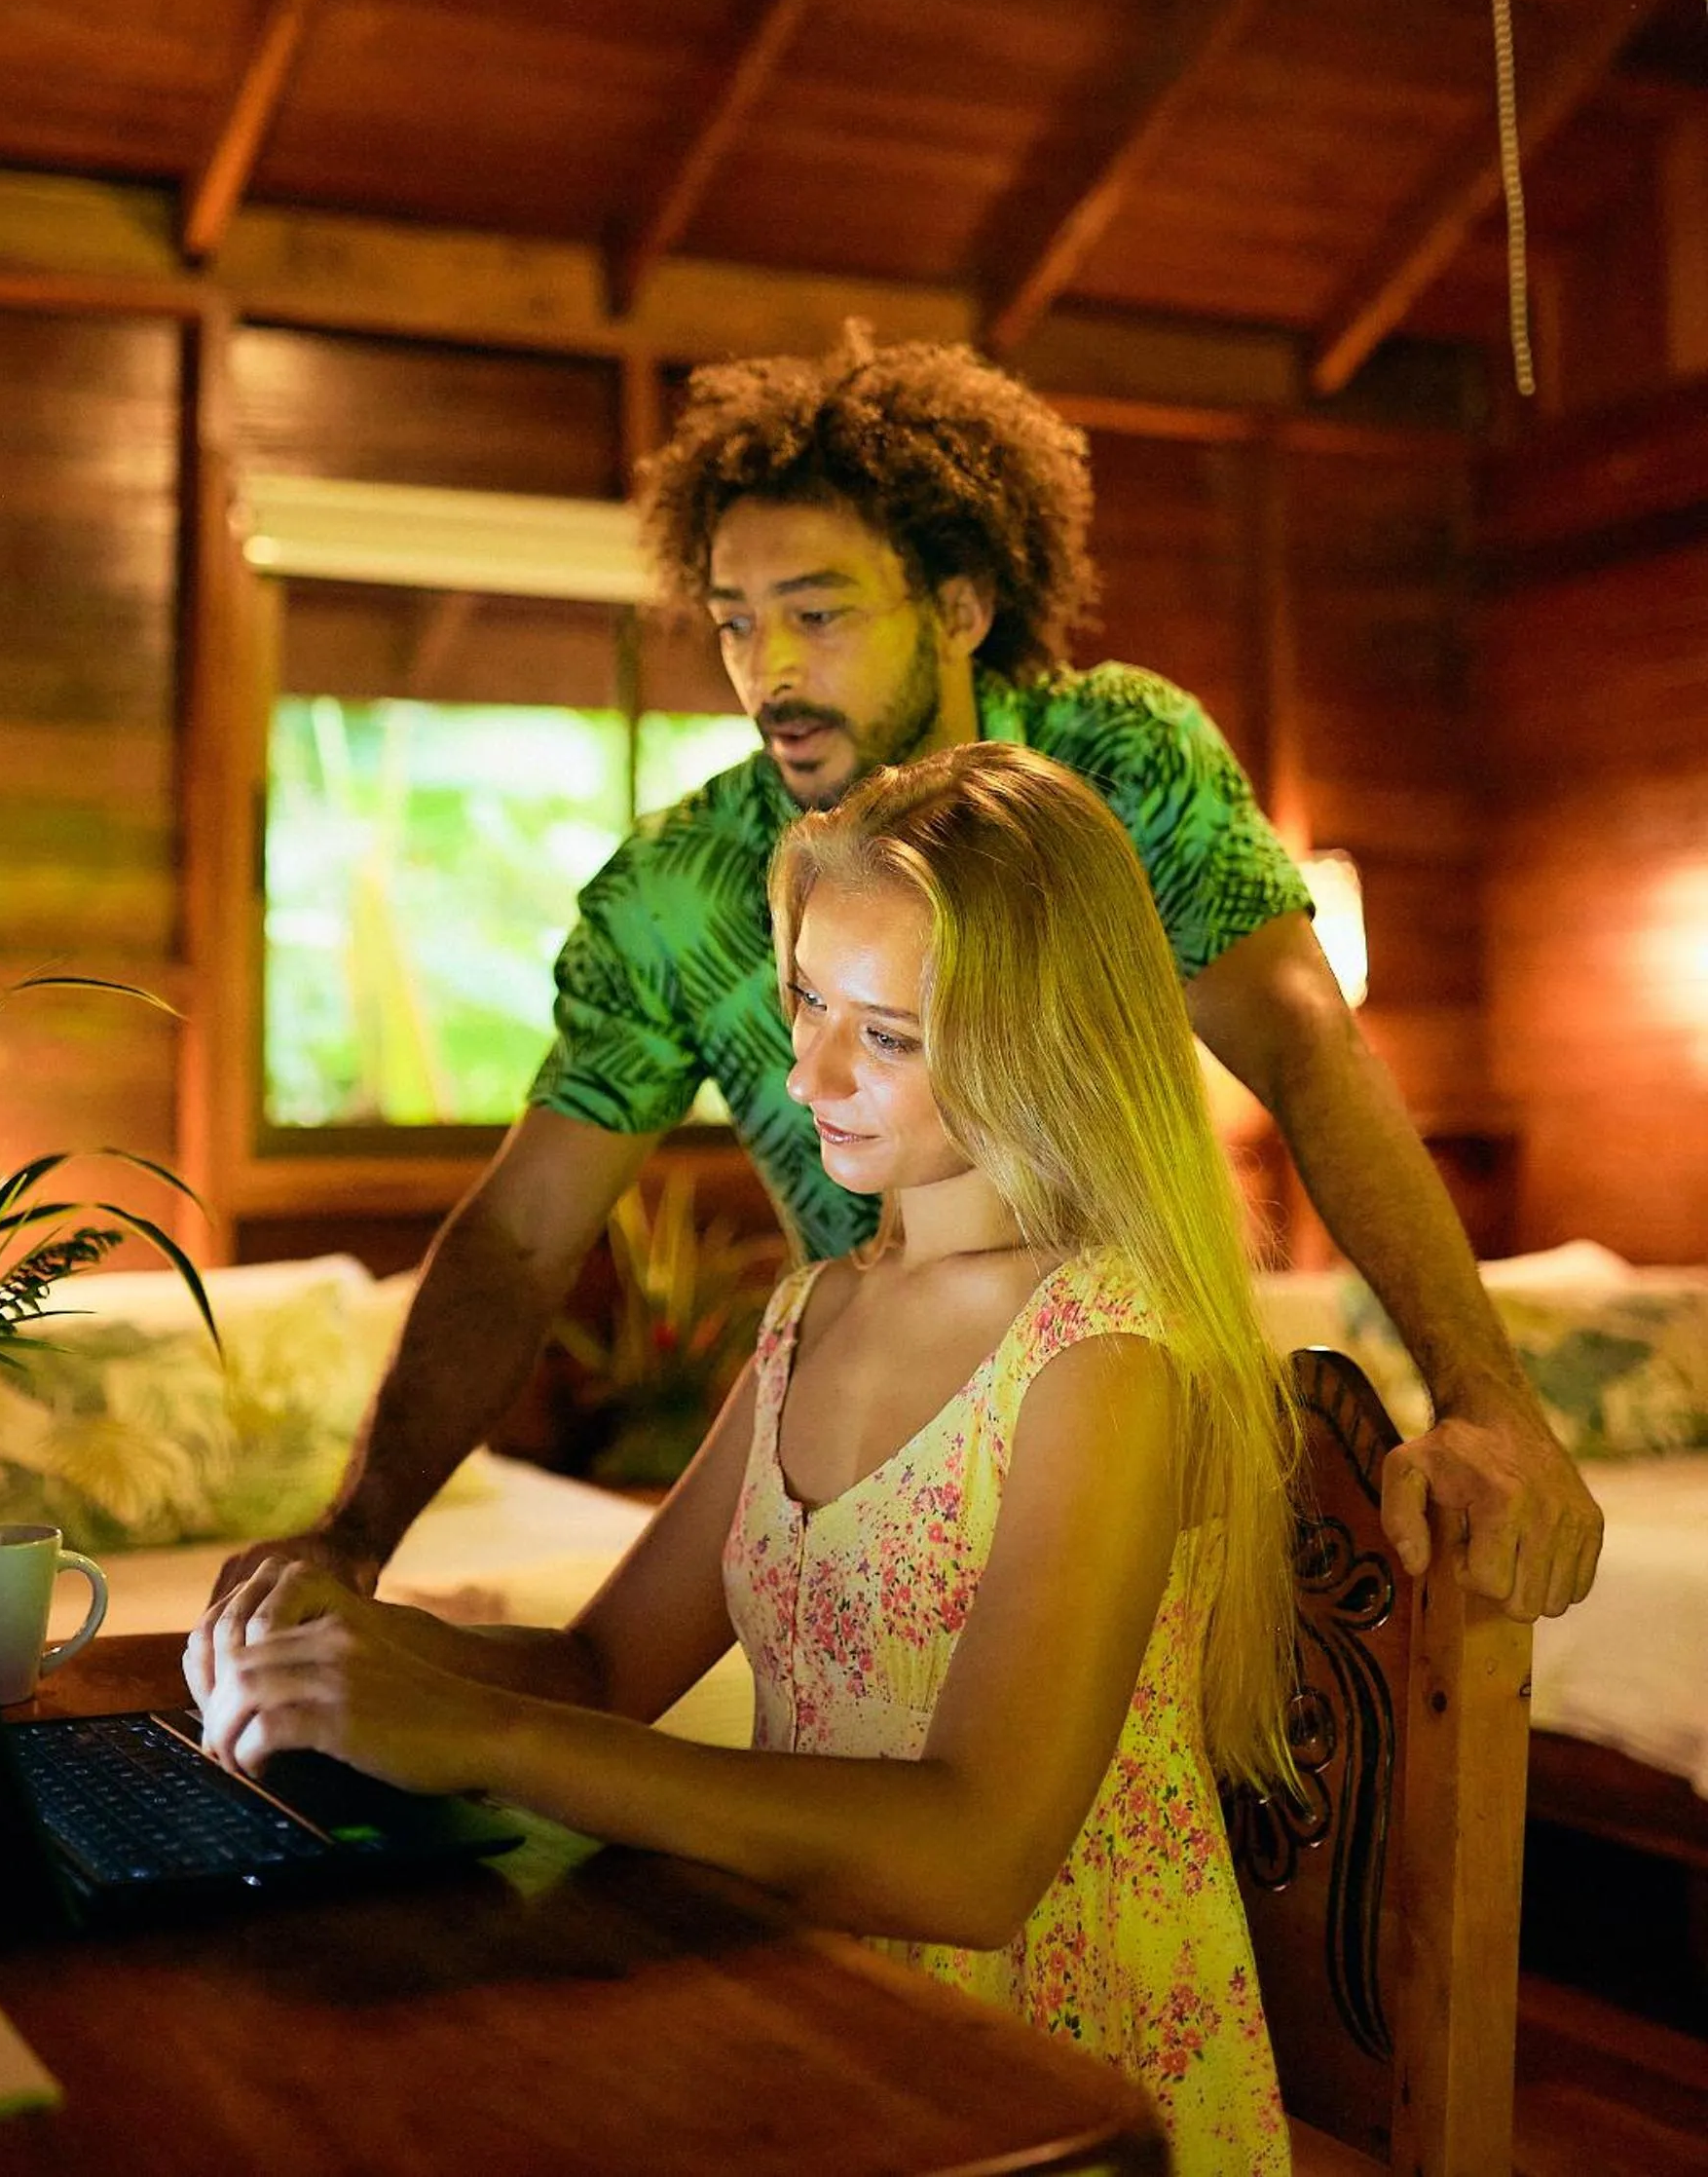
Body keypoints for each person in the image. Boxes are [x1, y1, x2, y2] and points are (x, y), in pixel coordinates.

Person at [212, 328, 1599, 1623]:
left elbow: (1305, 1044)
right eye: (736, 622)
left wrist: (1490, 1401)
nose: (768, 673)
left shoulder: (1118, 765)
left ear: (960, 605)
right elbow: (521, 1236)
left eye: (817, 615)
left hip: (1147, 1439)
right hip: (881, 1452)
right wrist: (355, 1542)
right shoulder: (676, 891)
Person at [195, 745, 1302, 2174]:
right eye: (808, 1000)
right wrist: (360, 1650)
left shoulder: (1102, 1354)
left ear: (1048, 1039)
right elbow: (604, 1675)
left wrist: (488, 1740)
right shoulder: (811, 1312)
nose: (805, 1072)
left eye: (887, 1037)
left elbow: (975, 1859)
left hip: (1062, 2078)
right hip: (836, 2012)